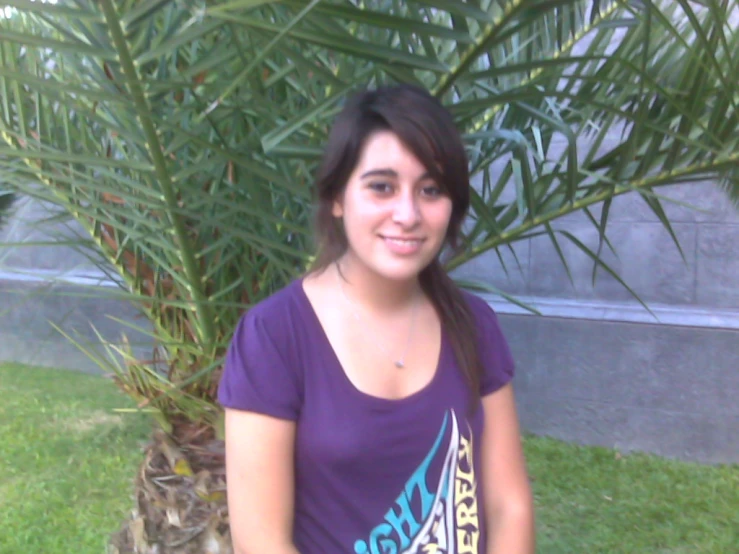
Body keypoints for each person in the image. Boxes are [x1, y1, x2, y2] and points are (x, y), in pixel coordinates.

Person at [218, 84, 535, 554]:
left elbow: (510, 505)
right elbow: (260, 539)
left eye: (431, 190)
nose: (407, 214)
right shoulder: (274, 336)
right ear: (338, 197)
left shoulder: (474, 325)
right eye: (381, 187)